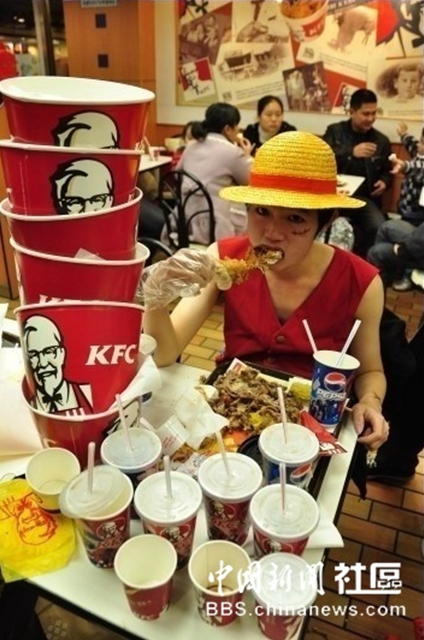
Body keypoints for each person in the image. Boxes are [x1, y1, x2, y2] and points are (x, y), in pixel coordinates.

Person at [144, 131, 389, 451]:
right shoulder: (224, 257)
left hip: (310, 426)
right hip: (230, 412)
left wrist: (370, 401)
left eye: (295, 218)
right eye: (261, 211)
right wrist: (154, 296)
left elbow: (371, 370)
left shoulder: (361, 282)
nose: (272, 233)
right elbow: (164, 353)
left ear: (325, 222)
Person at [169, 102, 252, 244]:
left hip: (184, 224)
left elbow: (177, 174)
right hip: (214, 229)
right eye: (237, 125)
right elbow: (250, 181)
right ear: (228, 129)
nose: (238, 129)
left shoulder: (191, 146)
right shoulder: (232, 152)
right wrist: (247, 155)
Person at [323, 89, 393, 257]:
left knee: (378, 227)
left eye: (374, 113)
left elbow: (388, 170)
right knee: (317, 224)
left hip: (363, 198)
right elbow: (323, 158)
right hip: (332, 196)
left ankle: (365, 265)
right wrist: (351, 152)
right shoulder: (335, 131)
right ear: (352, 111)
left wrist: (385, 181)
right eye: (366, 114)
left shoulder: (381, 140)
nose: (371, 118)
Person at [367, 123, 424, 290]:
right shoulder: (419, 151)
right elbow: (412, 145)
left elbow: (416, 167)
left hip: (418, 217)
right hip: (407, 211)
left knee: (412, 247)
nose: (421, 146)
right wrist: (404, 134)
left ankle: (407, 275)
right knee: (385, 228)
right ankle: (384, 274)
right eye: (422, 141)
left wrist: (404, 166)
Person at [23, 315, 93, 415]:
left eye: (49, 351)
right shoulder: (27, 404)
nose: (43, 363)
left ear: (62, 354)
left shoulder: (86, 393)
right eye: (33, 354)